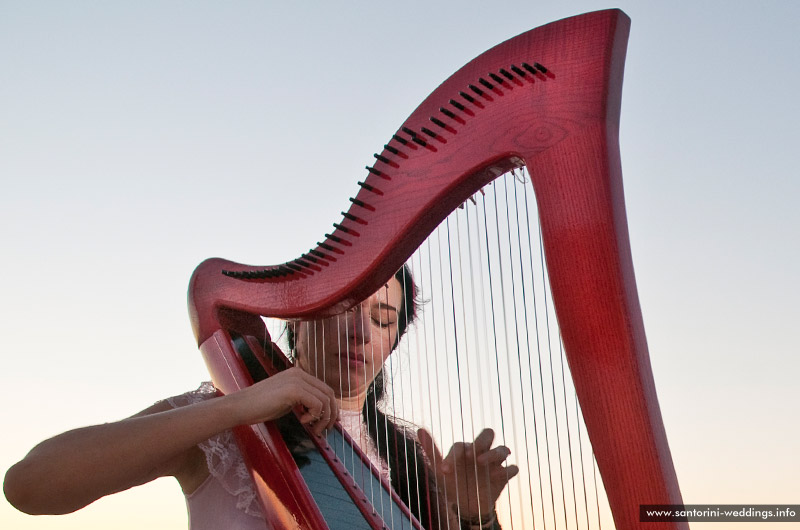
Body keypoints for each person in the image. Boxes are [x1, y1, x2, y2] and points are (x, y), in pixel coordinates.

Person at [4, 266, 518, 529]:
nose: (361, 331)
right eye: (344, 309)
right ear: (297, 317)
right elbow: (29, 486)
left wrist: (474, 517)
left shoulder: (412, 450)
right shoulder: (219, 418)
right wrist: (241, 406)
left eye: (384, 319)